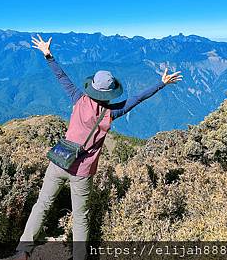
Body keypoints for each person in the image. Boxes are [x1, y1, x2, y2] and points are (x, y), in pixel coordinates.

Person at [10, 34, 183, 260]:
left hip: (60, 162)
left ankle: (23, 251)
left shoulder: (78, 98)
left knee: (42, 205)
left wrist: (48, 55)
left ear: (91, 87)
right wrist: (161, 83)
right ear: (110, 93)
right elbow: (139, 98)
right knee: (81, 216)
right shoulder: (112, 112)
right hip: (82, 172)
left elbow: (62, 77)